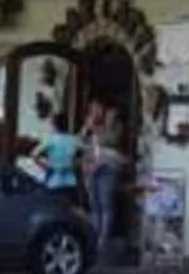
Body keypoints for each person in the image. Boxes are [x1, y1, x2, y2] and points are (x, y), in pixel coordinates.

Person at [80, 100, 126, 260]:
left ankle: (103, 239)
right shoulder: (89, 123)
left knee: (105, 202)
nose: (96, 112)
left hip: (107, 166)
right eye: (93, 109)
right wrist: (88, 127)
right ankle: (94, 234)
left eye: (98, 109)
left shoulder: (114, 124)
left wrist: (101, 127)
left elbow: (112, 140)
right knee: (93, 203)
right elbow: (81, 141)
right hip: (91, 167)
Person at [38, 113, 81, 199]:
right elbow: (81, 157)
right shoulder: (74, 140)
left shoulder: (50, 140)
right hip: (70, 180)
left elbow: (34, 155)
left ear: (54, 125)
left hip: (54, 179)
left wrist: (45, 166)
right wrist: (74, 166)